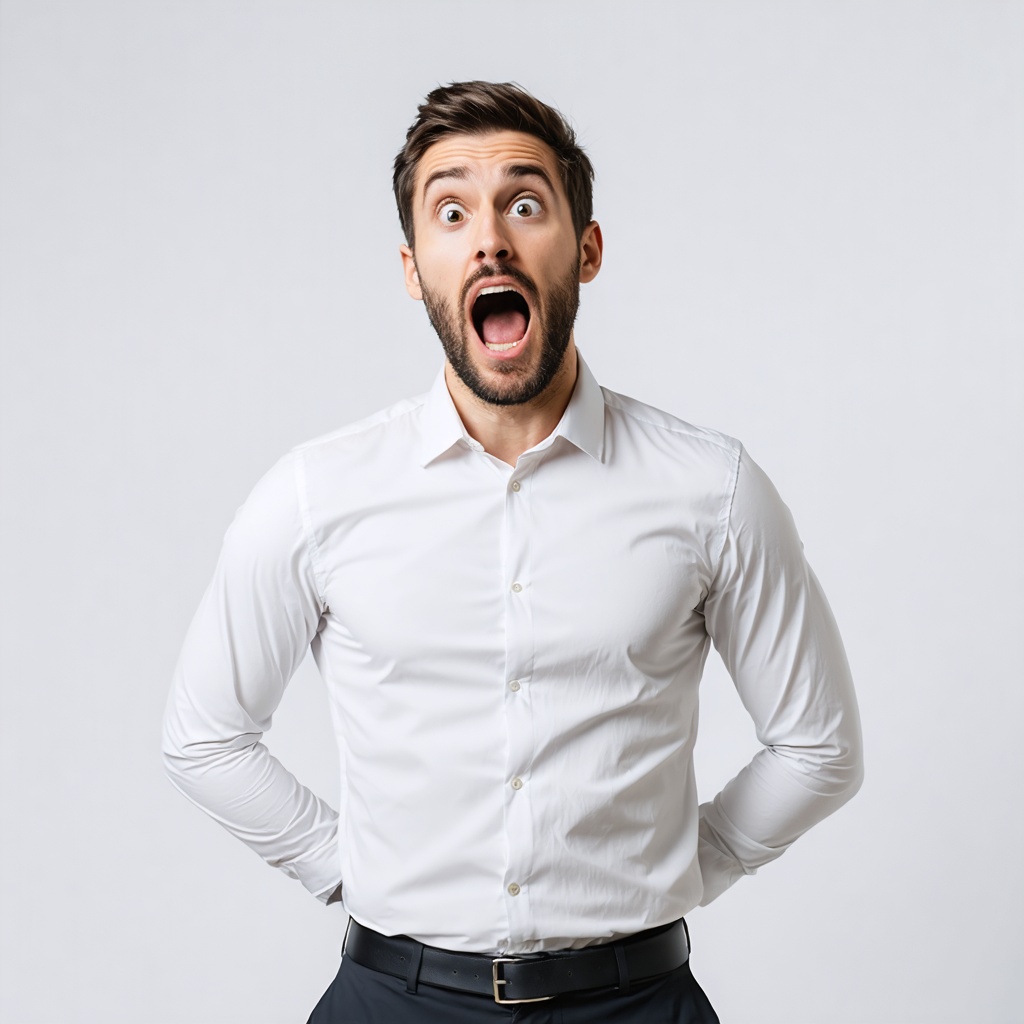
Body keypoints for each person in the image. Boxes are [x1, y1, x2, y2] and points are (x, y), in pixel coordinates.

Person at [163, 80, 863, 1023]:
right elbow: (204, 735)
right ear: (416, 269)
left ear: (586, 249)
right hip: (391, 1001)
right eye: (452, 211)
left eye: (524, 204)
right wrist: (352, 873)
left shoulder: (713, 488)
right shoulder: (315, 495)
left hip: (637, 1004)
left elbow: (819, 746)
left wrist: (678, 874)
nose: (489, 237)